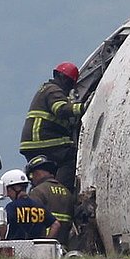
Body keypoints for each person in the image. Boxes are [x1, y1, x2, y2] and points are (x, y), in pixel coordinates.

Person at [19, 62, 85, 190]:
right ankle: (62, 192)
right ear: (63, 78)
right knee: (70, 157)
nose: (69, 88)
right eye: (69, 83)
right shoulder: (53, 90)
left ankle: (45, 191)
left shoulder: (45, 89)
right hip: (43, 141)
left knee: (45, 172)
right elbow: (60, 109)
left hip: (33, 143)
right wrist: (83, 107)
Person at [25, 155, 74, 247]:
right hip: (65, 244)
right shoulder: (67, 192)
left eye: (31, 176)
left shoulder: (38, 192)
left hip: (44, 244)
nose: (31, 181)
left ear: (38, 173)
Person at [0, 169, 60, 240]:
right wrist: (46, 242)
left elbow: (2, 224)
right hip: (36, 248)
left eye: (8, 190)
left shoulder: (12, 207)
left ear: (15, 188)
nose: (8, 195)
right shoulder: (39, 207)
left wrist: (2, 240)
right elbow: (56, 224)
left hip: (16, 247)